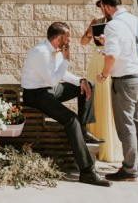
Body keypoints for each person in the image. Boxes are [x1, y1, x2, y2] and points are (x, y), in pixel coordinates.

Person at [21, 21, 111, 187]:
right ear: (58, 38)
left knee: (87, 85)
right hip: (35, 95)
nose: (70, 40)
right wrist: (66, 59)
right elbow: (54, 80)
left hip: (48, 90)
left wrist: (80, 81)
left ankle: (83, 130)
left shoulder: (53, 50)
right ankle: (87, 172)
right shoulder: (41, 52)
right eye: (68, 37)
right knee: (71, 120)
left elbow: (62, 75)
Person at [95, 0, 138, 182]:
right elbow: (133, 48)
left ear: (106, 6)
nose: (102, 11)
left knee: (126, 125)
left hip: (126, 81)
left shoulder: (112, 25)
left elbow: (112, 56)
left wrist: (104, 75)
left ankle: (129, 169)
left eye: (102, 7)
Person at [82, 13, 123, 163]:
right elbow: (83, 41)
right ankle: (94, 142)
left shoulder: (119, 23)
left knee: (109, 103)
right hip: (96, 62)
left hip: (109, 63)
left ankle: (111, 146)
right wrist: (89, 33)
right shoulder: (97, 21)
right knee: (95, 100)